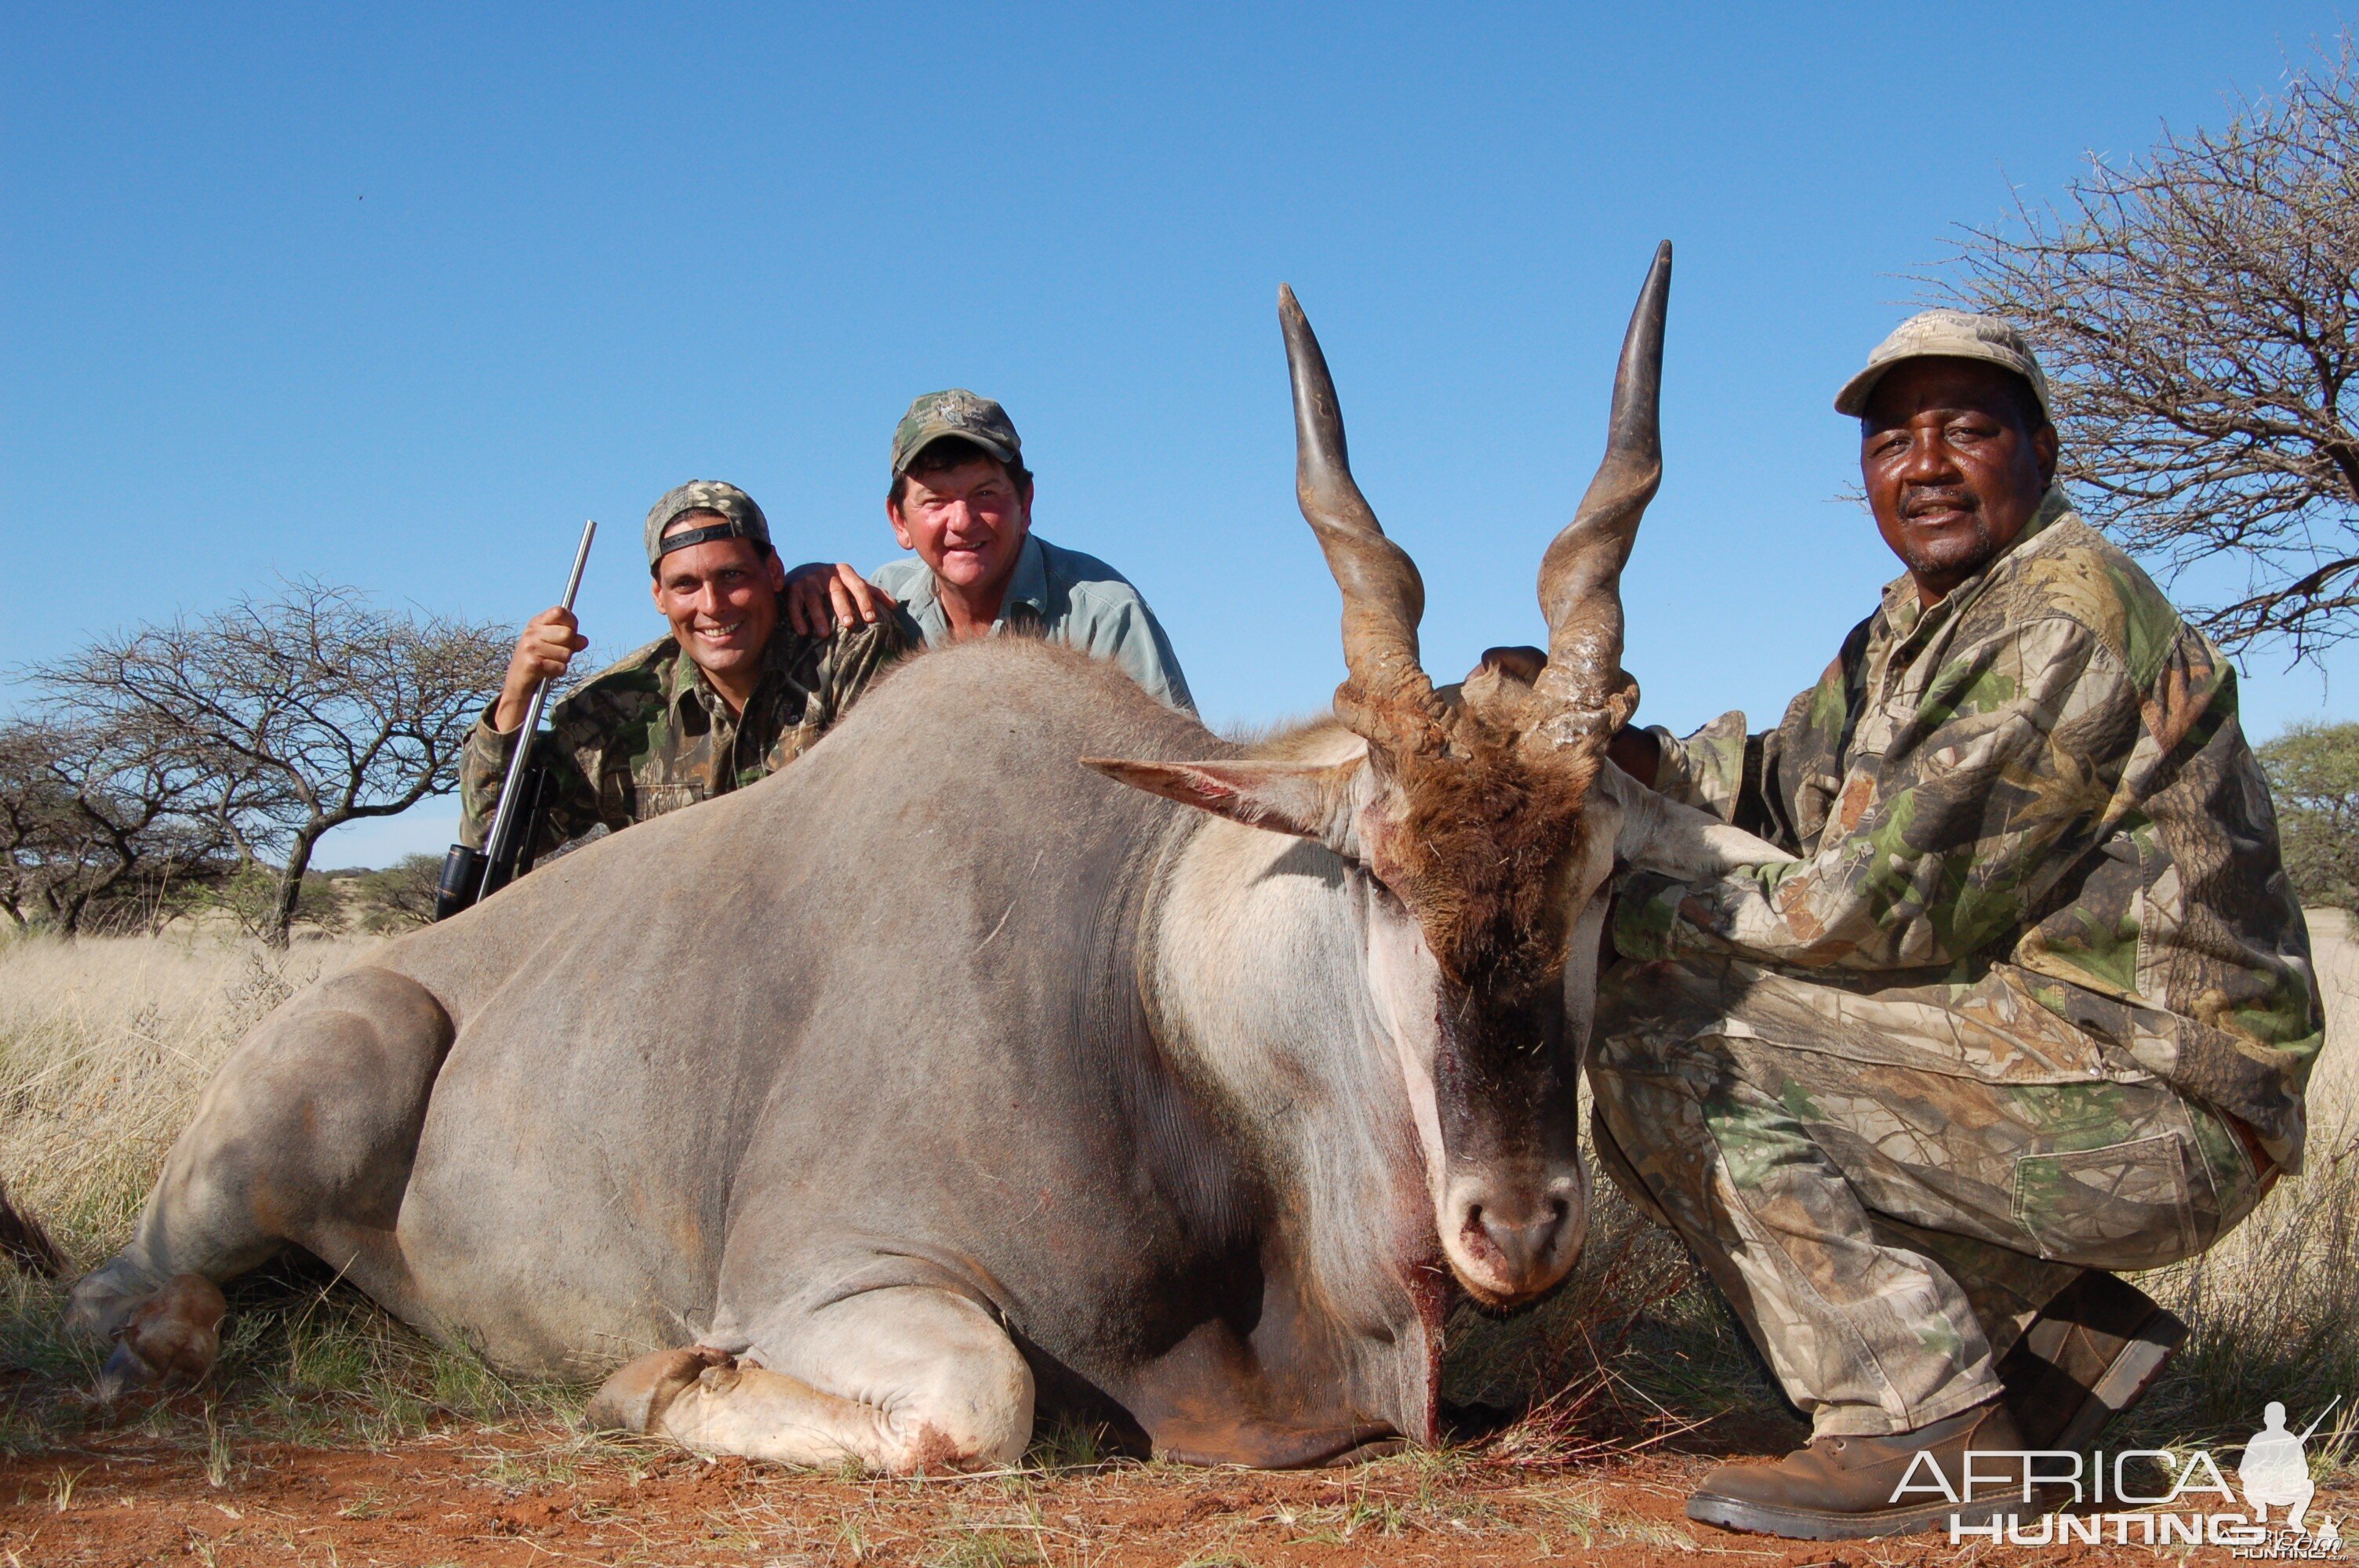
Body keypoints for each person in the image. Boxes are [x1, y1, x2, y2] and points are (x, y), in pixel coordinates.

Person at [1591, 311, 2322, 1539]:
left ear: (2041, 450)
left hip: (2161, 1103)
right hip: (2056, 1054)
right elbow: (1776, 780)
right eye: (1892, 439)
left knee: (1657, 1032)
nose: (1923, 463)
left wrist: (1617, 911)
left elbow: (1864, 917)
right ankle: (2050, 1350)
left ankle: (1914, 1416)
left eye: (1967, 429)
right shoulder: (1911, 627)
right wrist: (1617, 752)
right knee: (1664, 1056)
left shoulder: (2056, 618)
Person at [458, 480, 906, 860]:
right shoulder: (612, 709)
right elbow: (494, 840)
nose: (712, 606)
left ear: (773, 572)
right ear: (659, 596)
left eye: (732, 577)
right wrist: (516, 696)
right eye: (685, 585)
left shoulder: (849, 652)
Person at [785, 390, 1195, 712]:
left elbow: (1171, 776)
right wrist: (804, 581)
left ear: (1026, 504)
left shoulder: (1106, 615)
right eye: (935, 501)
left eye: (985, 493)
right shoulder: (880, 604)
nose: (962, 521)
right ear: (898, 520)